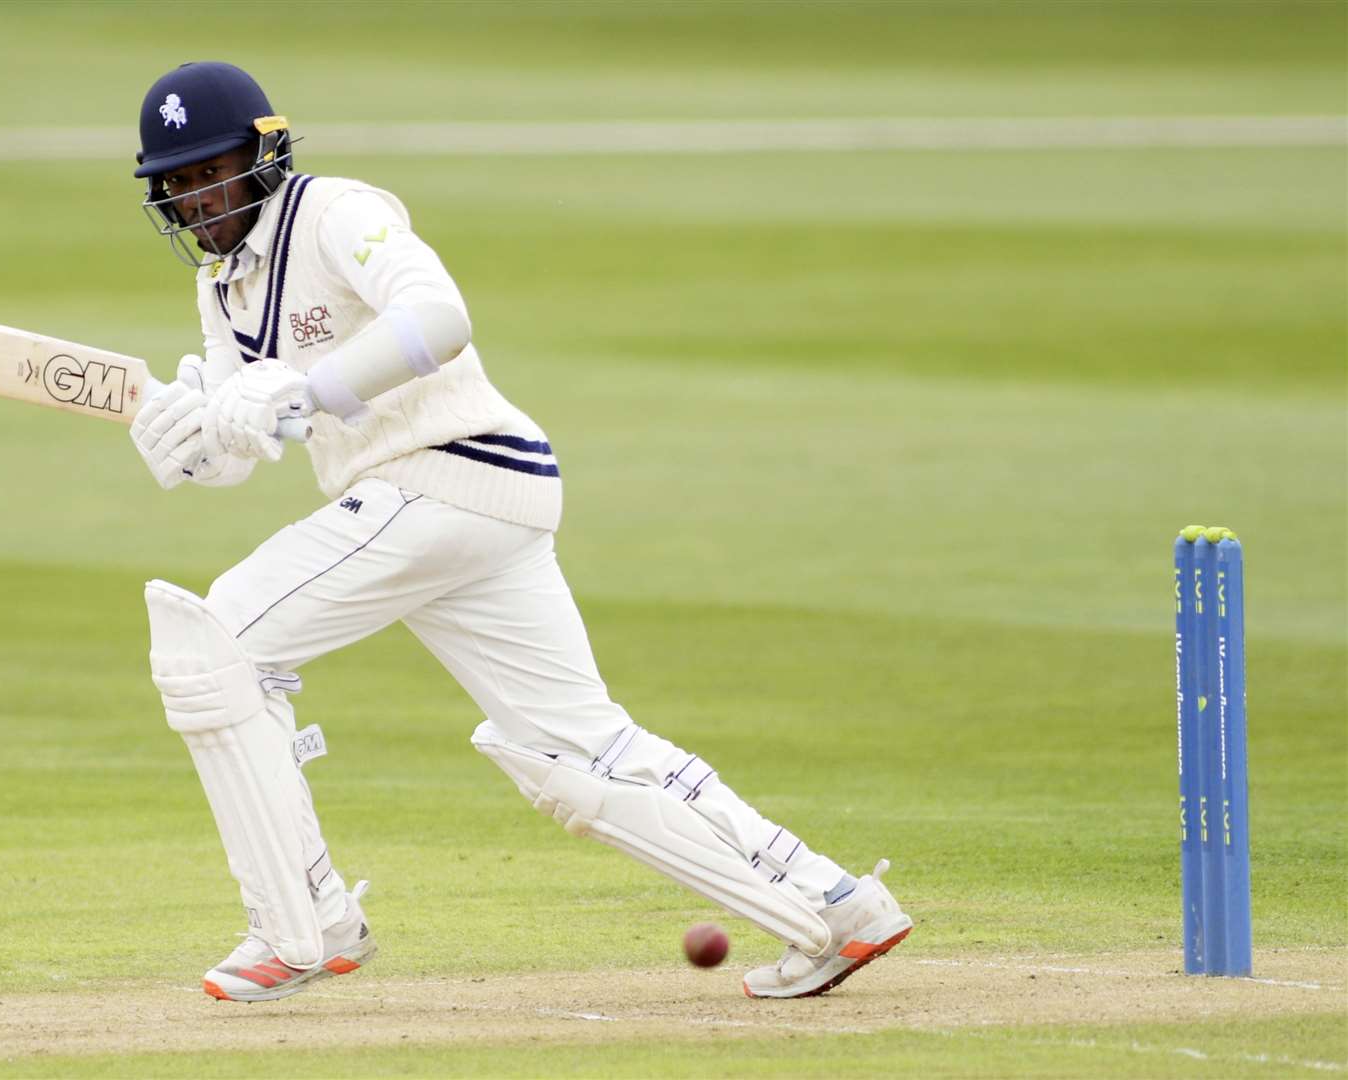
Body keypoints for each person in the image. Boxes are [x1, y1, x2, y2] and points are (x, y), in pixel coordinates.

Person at [127, 61, 912, 1004]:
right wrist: (193, 437)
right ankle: (839, 905)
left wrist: (307, 387)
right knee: (580, 749)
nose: (195, 199)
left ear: (263, 155)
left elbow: (439, 317)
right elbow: (254, 438)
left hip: (451, 473)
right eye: (175, 185)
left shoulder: (332, 211)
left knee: (219, 644)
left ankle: (305, 924)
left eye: (208, 172)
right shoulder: (223, 289)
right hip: (457, 507)